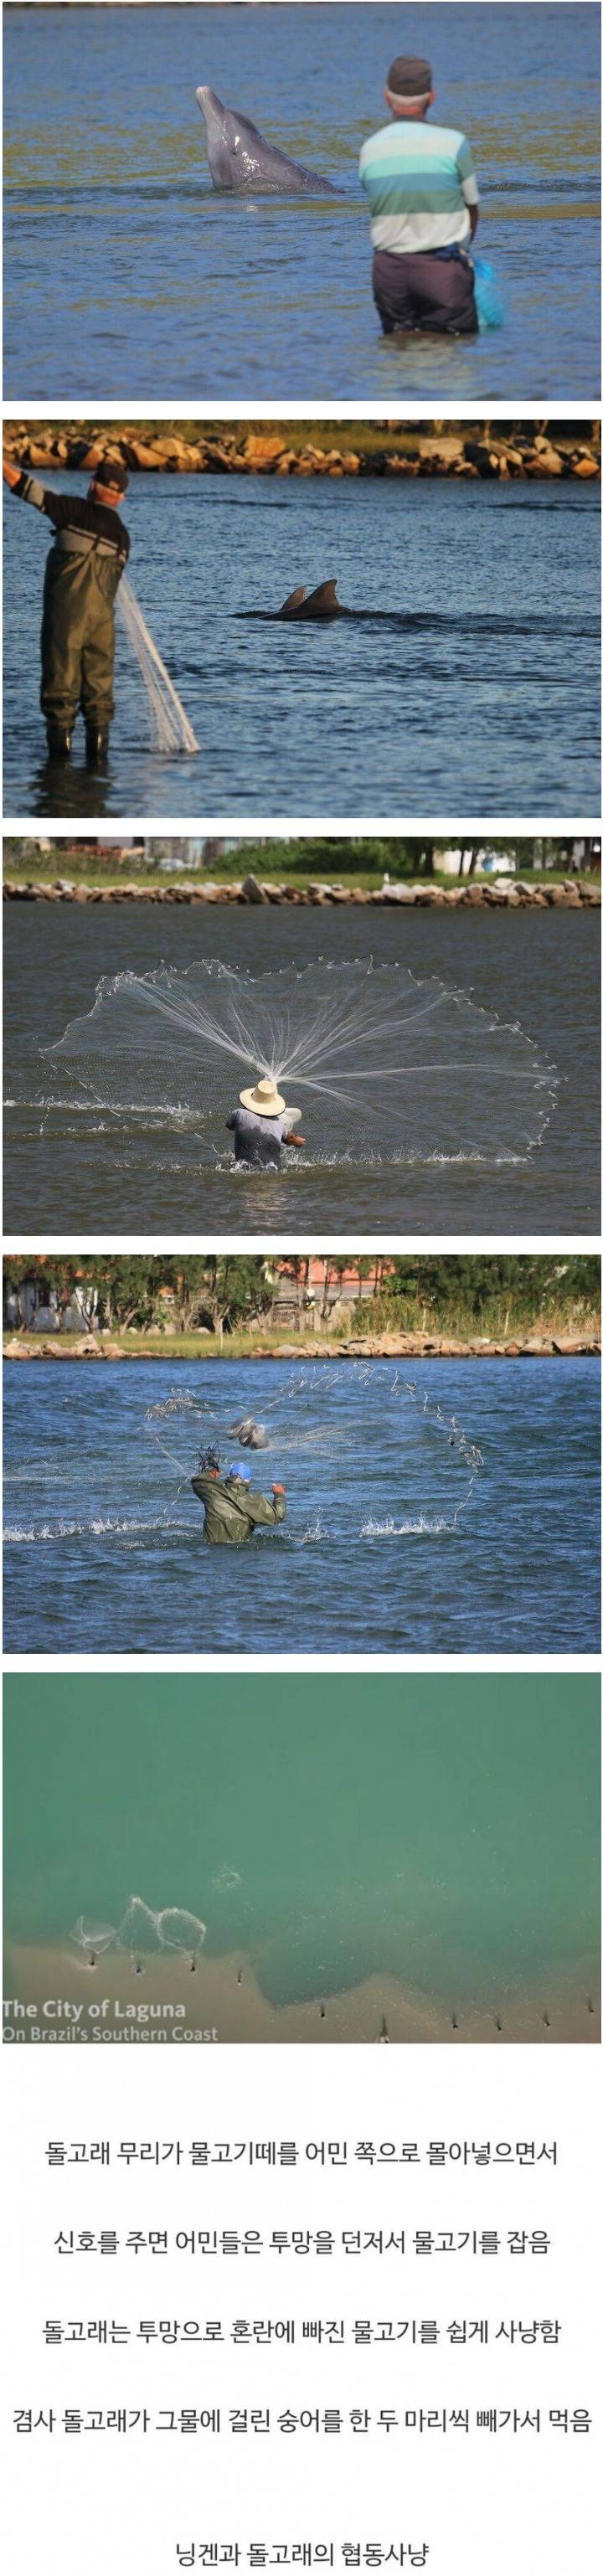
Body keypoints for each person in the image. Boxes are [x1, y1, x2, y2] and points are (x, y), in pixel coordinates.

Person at [3, 451, 131, 764]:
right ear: (121, 498)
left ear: (92, 486)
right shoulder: (123, 537)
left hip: (66, 621)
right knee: (99, 702)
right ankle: (98, 769)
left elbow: (26, 488)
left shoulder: (73, 511)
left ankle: (59, 771)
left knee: (60, 697)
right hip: (103, 628)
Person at [359, 53, 479, 337]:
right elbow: (472, 208)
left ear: (387, 98)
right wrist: (463, 249)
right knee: (452, 356)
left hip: (389, 274)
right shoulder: (455, 144)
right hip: (442, 271)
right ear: (432, 97)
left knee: (398, 353)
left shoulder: (370, 149)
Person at [190, 1459, 286, 1545]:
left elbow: (198, 1480)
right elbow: (278, 1514)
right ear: (248, 1482)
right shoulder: (255, 1501)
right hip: (238, 1549)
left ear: (229, 1478)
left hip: (210, 1549)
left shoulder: (213, 1492)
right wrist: (279, 1494)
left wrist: (212, 1474)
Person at [226, 1076, 306, 1169]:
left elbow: (230, 1126)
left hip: (243, 1170)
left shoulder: (238, 1114)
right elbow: (289, 1139)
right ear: (273, 1104)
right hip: (274, 1173)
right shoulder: (279, 1123)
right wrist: (298, 1141)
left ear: (251, 1099)